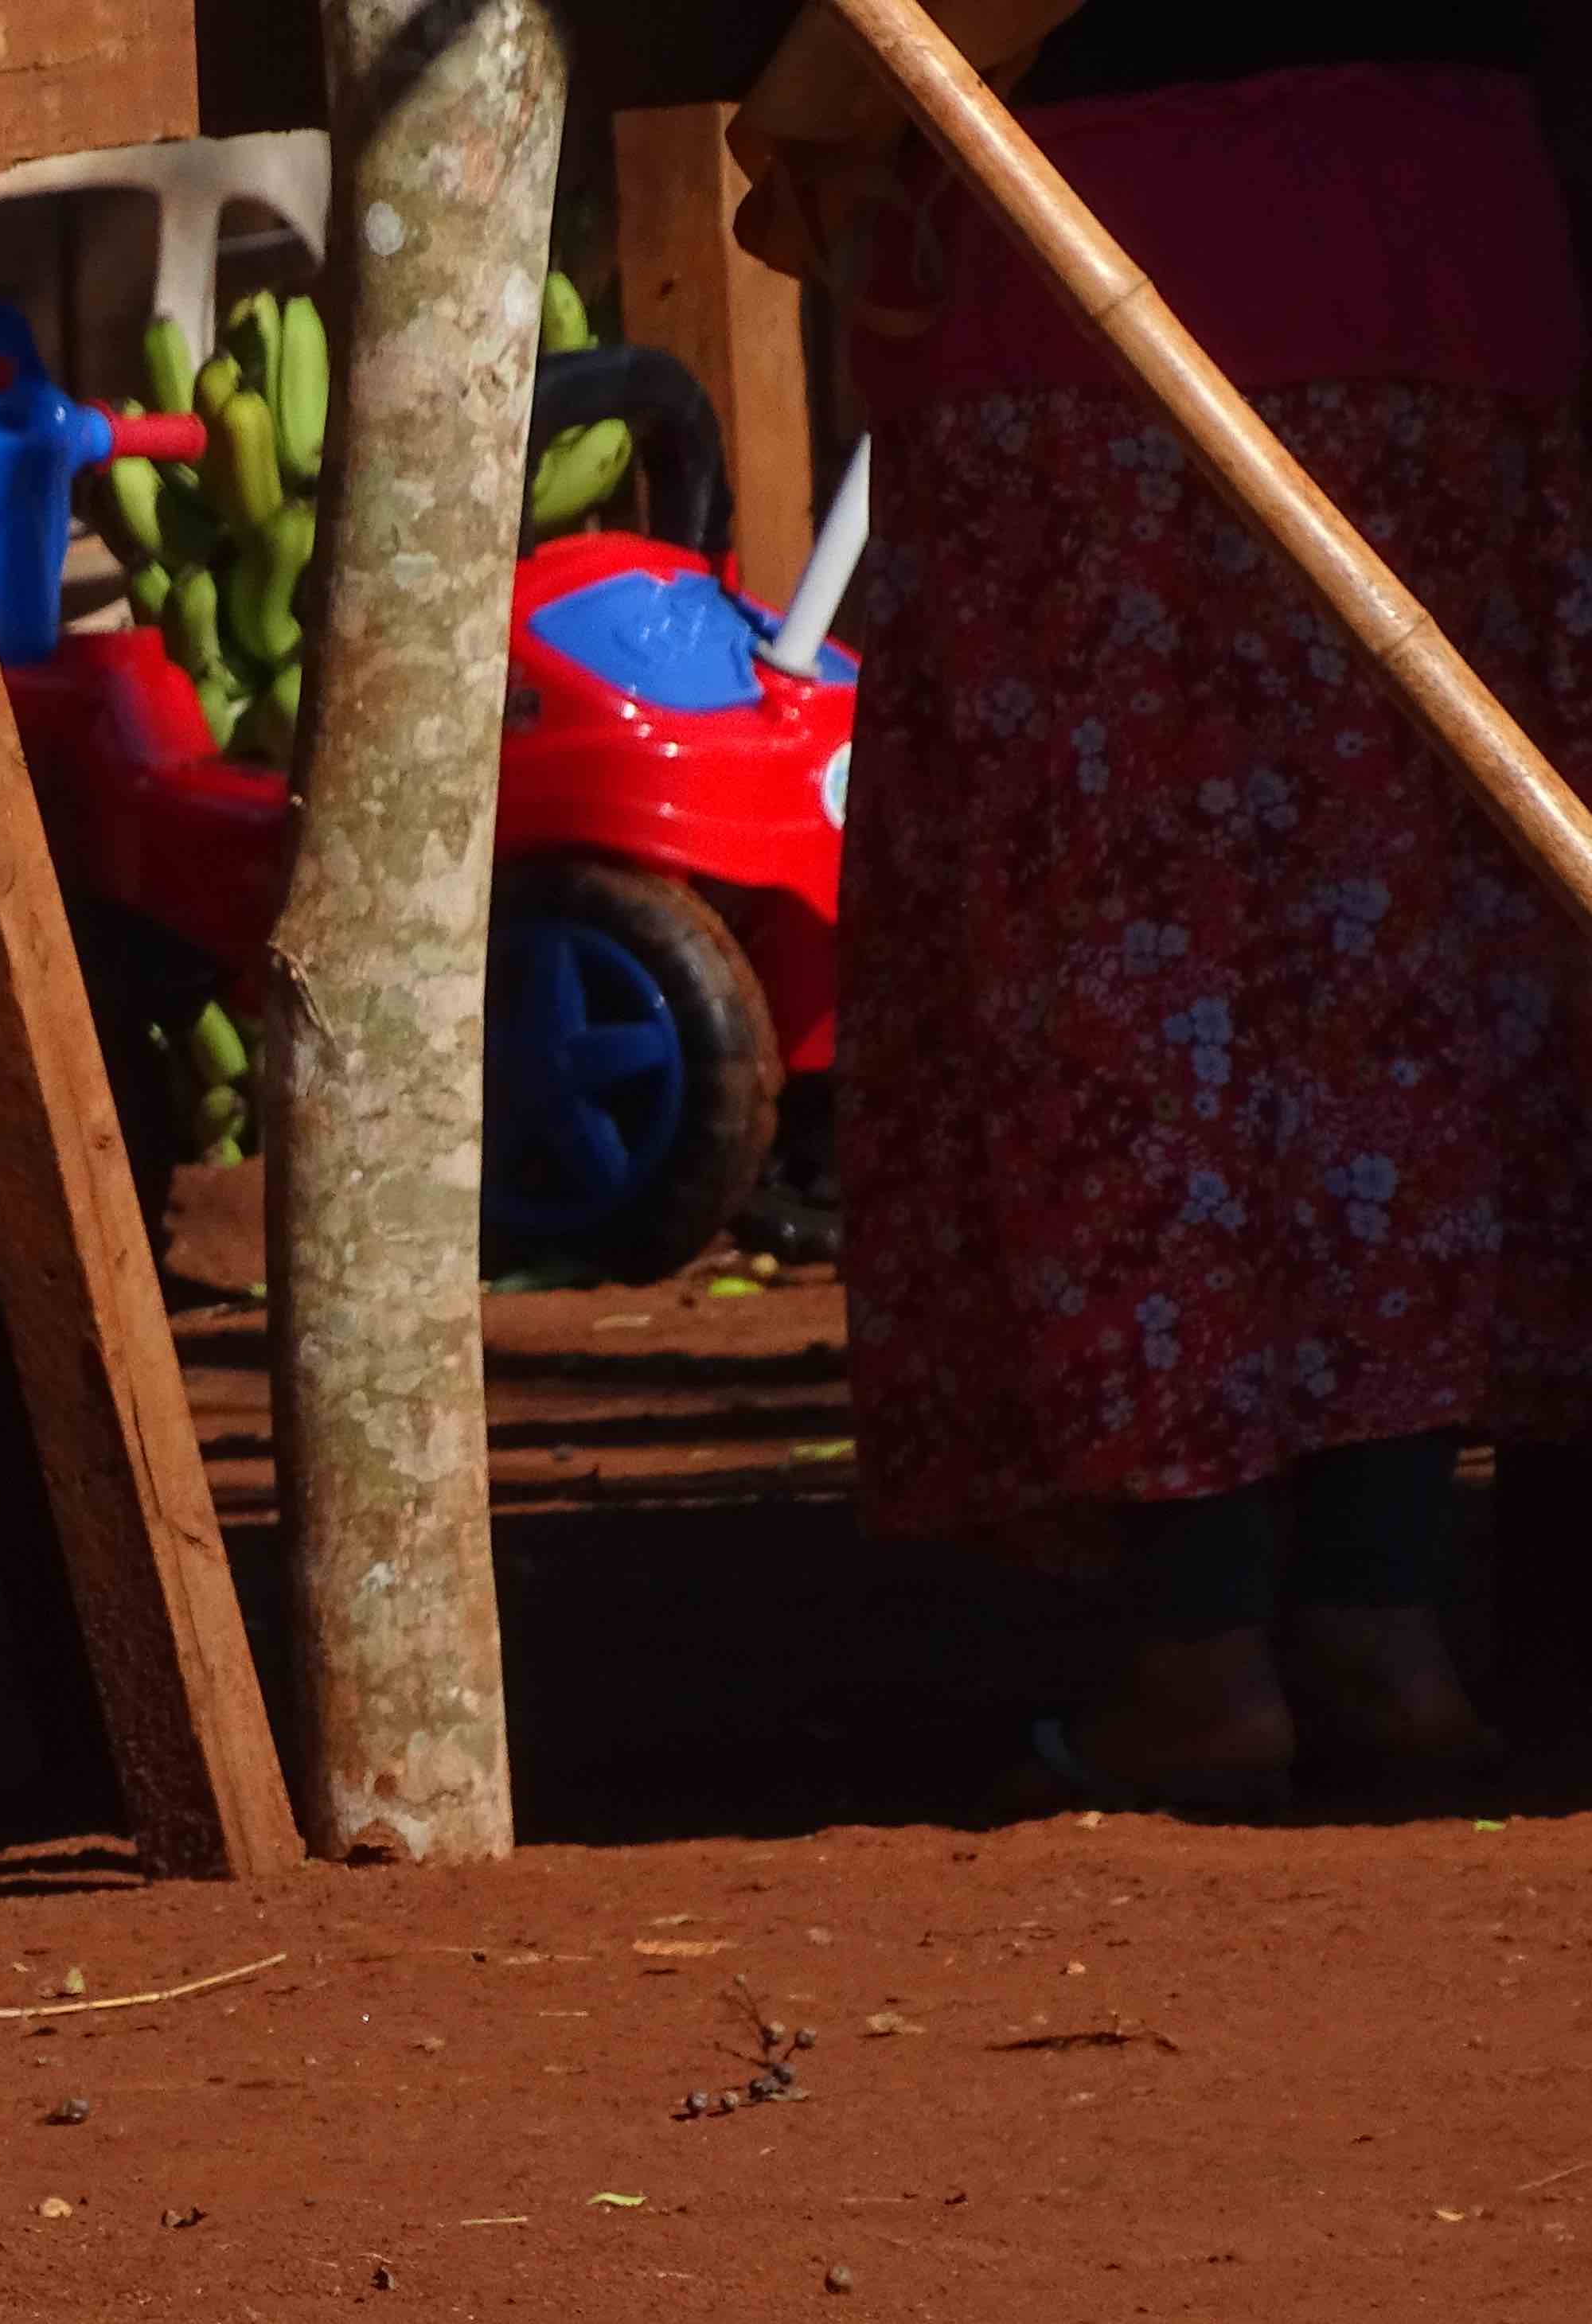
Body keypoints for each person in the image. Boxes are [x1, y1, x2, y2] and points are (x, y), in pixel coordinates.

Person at [738, 3, 1592, 1810]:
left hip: (1108, 257)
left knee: (1129, 970)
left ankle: (1211, 1642)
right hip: (1421, 251)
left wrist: (820, 113)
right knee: (1395, 961)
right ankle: (1381, 1617)